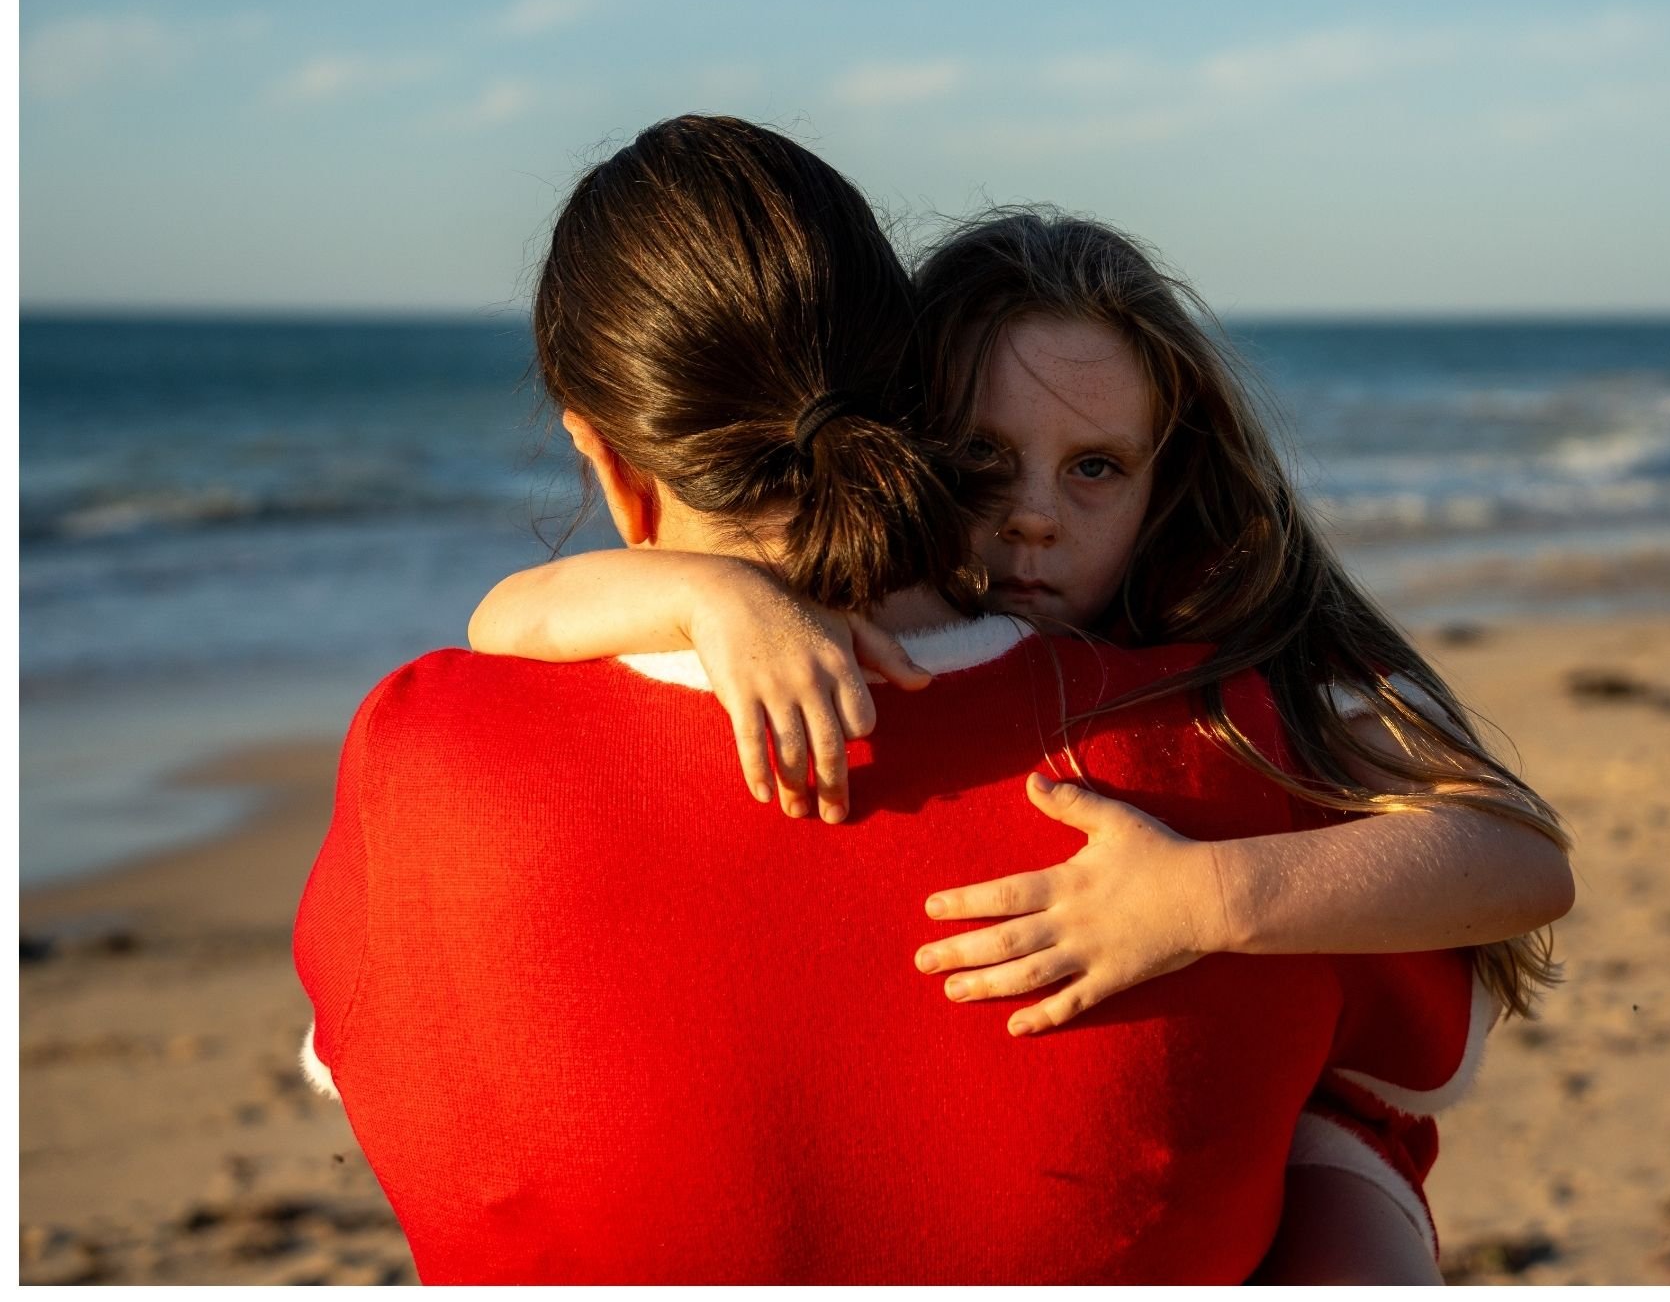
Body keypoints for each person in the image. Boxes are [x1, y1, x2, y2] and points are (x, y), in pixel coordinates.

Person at [293, 117, 1475, 1284]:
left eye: (1095, 469)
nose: (1033, 515)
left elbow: (363, 1070)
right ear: (902, 410)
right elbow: (1433, 1055)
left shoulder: (419, 762)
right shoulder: (1221, 738)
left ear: (601, 455)